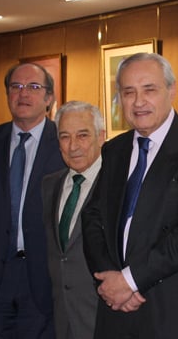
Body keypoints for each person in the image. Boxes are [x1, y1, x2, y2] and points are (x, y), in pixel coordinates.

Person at [81, 52, 178, 338]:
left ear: (171, 91)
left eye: (149, 90)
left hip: (168, 311)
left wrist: (130, 281)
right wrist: (110, 279)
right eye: (128, 92)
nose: (138, 102)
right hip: (115, 308)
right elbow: (92, 217)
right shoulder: (115, 150)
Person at [0, 63, 66, 339]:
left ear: (49, 98)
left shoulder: (64, 143)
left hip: (44, 277)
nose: (23, 94)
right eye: (15, 87)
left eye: (33, 87)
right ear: (7, 95)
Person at [41, 101, 105, 339]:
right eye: (65, 137)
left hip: (104, 316)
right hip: (62, 316)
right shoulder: (49, 185)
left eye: (83, 135)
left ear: (101, 137)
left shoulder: (117, 184)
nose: (73, 146)